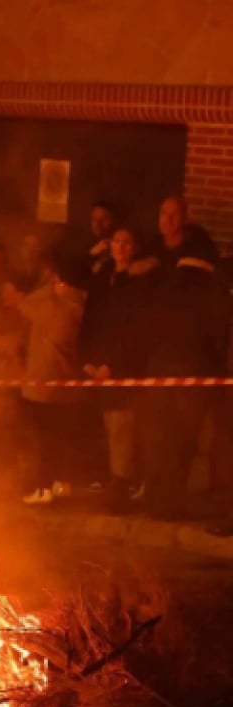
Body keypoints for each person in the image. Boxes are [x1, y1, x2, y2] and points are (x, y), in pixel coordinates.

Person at [137, 207, 232, 519]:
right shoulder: (198, 287)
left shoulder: (177, 285)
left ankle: (162, 500)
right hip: (182, 375)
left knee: (169, 440)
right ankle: (164, 500)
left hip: (178, 375)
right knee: (173, 441)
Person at [77, 228, 158, 508]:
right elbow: (92, 320)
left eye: (127, 242)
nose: (121, 247)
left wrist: (111, 366)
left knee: (122, 427)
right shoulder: (102, 278)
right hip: (97, 365)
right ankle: (113, 483)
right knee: (109, 426)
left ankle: (121, 489)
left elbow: (133, 330)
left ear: (135, 248)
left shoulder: (140, 283)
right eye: (117, 242)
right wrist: (87, 359)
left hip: (124, 367)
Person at [3, 246, 90, 504]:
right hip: (67, 388)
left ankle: (43, 489)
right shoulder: (81, 303)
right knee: (62, 440)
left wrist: (50, 289)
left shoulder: (56, 307)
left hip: (43, 387)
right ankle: (62, 486)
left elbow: (24, 303)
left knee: (42, 443)